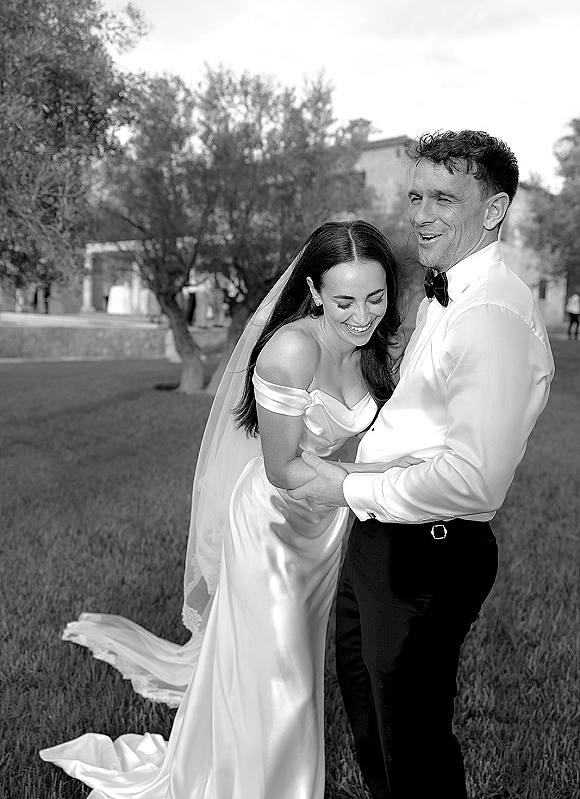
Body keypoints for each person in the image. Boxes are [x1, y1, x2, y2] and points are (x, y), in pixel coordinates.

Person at [40, 220, 415, 799]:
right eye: (344, 301)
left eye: (375, 296)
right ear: (314, 292)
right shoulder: (292, 349)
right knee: (283, 678)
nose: (362, 315)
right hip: (272, 527)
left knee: (291, 671)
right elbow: (284, 470)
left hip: (325, 527)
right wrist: (397, 480)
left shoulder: (374, 348)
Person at [288, 131, 555, 799]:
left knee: (413, 748)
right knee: (373, 723)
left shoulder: (490, 313)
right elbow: (418, 422)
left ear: (492, 210)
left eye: (443, 197)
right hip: (384, 538)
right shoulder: (447, 296)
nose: (421, 213)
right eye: (415, 196)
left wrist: (346, 484)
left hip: (427, 555)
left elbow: (473, 478)